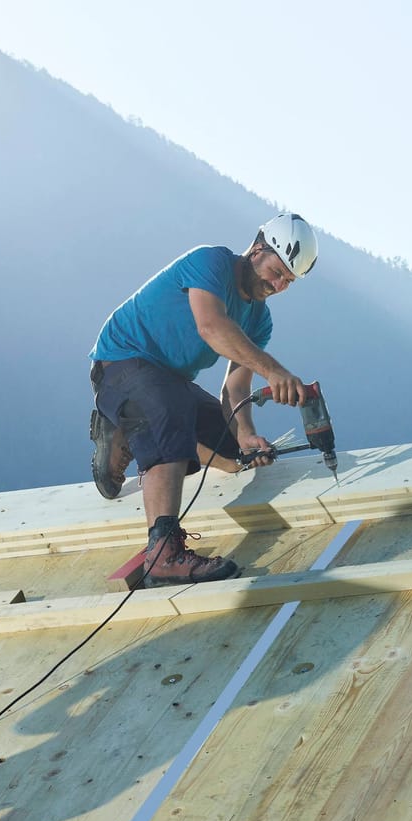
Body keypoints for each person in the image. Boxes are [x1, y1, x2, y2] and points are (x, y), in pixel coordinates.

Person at [88, 213, 320, 586]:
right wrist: (274, 371)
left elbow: (235, 388)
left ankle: (127, 428)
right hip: (122, 362)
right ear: (258, 249)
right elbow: (211, 327)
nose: (278, 285)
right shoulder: (209, 261)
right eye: (277, 272)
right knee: (168, 409)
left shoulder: (259, 320)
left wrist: (245, 435)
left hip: (169, 384)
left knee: (232, 454)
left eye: (288, 282)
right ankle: (163, 554)